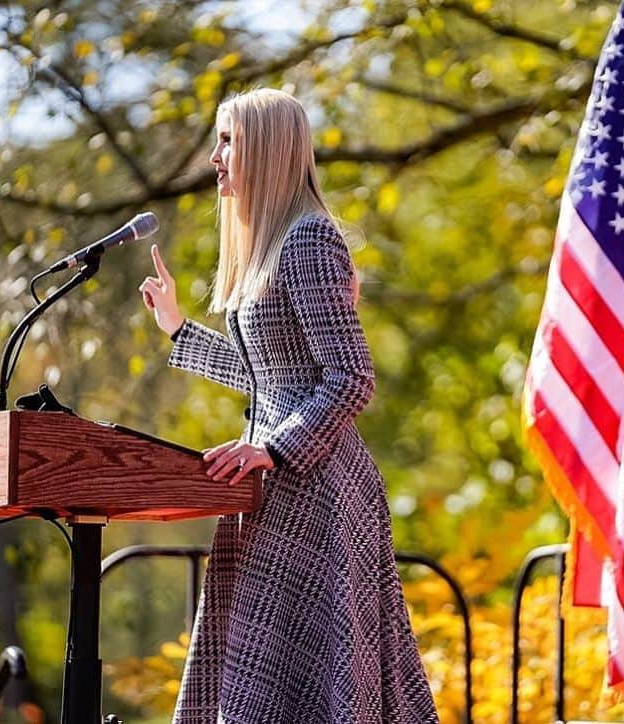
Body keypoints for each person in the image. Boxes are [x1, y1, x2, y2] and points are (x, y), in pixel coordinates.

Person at [138, 88, 439, 723]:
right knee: (262, 690)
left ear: (270, 149)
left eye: (229, 141)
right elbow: (271, 378)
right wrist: (178, 331)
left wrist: (270, 449)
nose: (215, 157)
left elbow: (352, 378)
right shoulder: (276, 246)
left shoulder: (309, 241)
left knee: (312, 695)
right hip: (276, 494)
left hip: (321, 497)